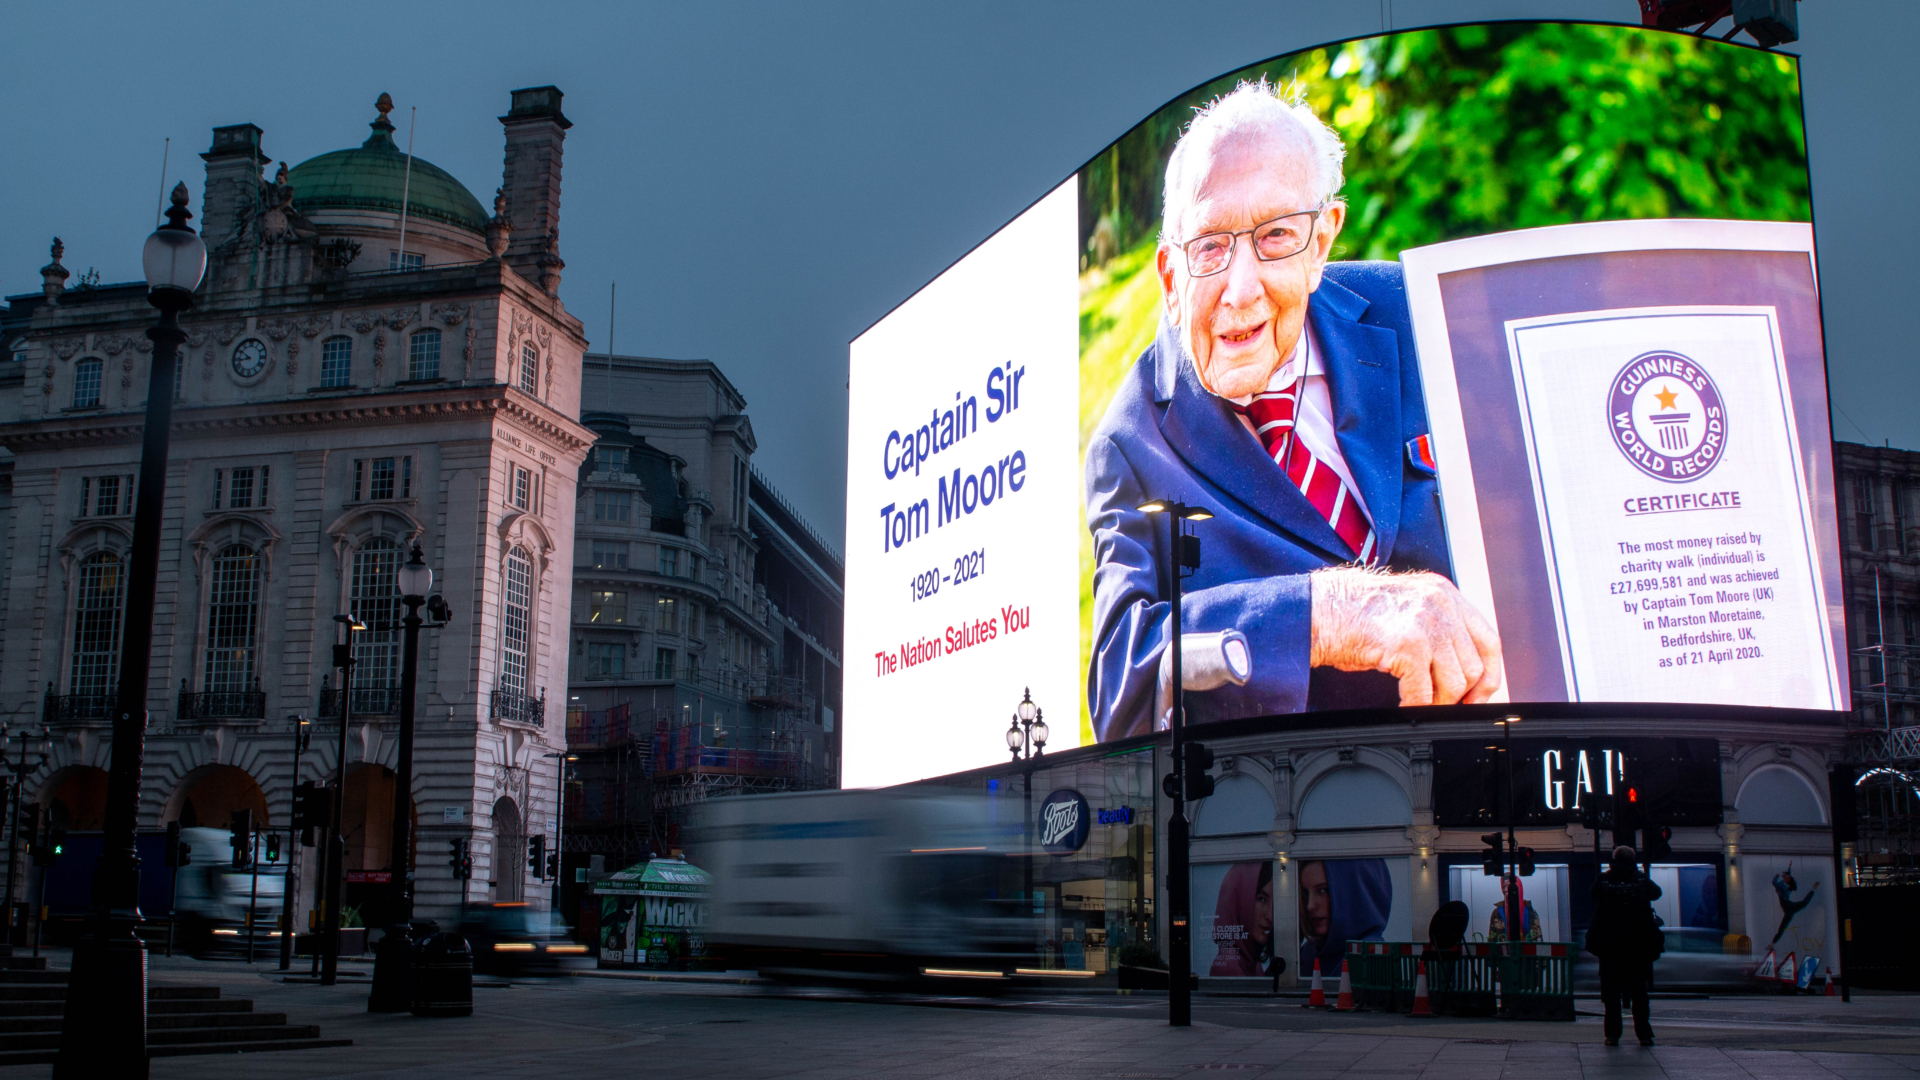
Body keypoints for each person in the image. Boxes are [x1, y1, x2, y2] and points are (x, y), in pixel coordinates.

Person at [1085, 79, 1503, 740]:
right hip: (1324, 818)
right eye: (1211, 248)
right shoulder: (1133, 443)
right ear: (1170, 276)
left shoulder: (1420, 313)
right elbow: (1125, 684)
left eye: (1277, 236)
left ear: (1321, 242)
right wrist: (1329, 612)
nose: (1241, 291)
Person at [1587, 845, 1662, 1047]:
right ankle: (1644, 1034)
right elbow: (1656, 894)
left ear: (1614, 858)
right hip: (1637, 947)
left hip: (1610, 947)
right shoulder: (1640, 878)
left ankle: (1612, 1035)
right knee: (1639, 993)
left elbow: (1593, 898)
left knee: (1611, 995)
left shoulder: (1604, 880)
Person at [1298, 858, 1393, 976]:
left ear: (1356, 891)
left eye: (1323, 890)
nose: (1310, 905)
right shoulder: (1310, 951)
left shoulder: (1370, 957)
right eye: (1305, 893)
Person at [1208, 861, 1274, 976]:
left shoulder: (1253, 964)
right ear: (1238, 901)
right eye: (1261, 899)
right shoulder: (1229, 966)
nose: (1270, 916)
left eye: (1274, 903)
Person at [1487, 873, 1544, 943]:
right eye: (1504, 887)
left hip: (1526, 950)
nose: (1506, 890)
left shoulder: (1529, 911)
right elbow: (1492, 938)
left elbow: (1537, 937)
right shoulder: (1497, 912)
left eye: (1509, 886)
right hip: (1504, 950)